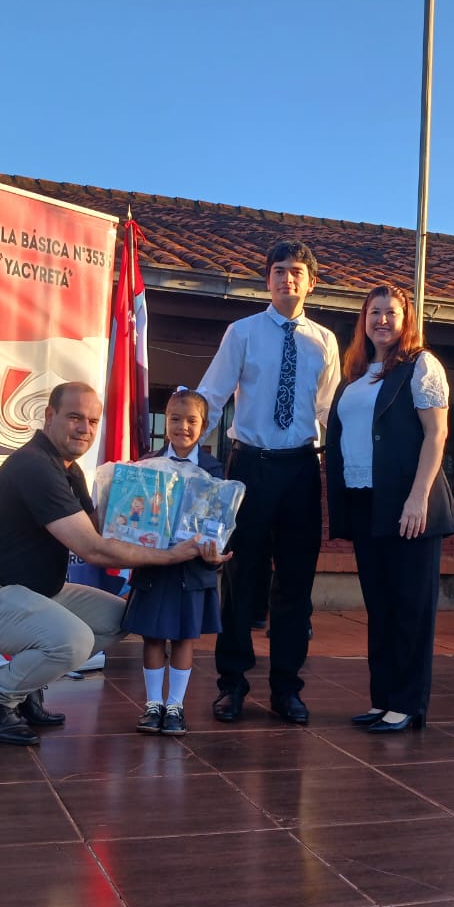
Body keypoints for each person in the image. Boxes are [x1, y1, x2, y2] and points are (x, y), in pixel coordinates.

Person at [0, 381, 227, 746]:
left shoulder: (69, 469)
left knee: (121, 619)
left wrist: (128, 495)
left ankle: (26, 686)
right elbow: (93, 548)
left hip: (37, 592)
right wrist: (171, 555)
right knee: (74, 641)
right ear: (49, 416)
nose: (85, 429)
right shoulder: (35, 466)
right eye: (75, 417)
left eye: (93, 421)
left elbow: (99, 527)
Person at [197, 239, 340, 725]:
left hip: (301, 468)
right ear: (268, 279)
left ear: (310, 283)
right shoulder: (241, 332)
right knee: (240, 578)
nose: (287, 278)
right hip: (250, 466)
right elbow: (212, 394)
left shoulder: (324, 341)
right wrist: (185, 454)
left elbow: (327, 409)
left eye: (296, 271)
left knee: (296, 583)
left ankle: (287, 688)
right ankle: (232, 684)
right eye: (279, 270)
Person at [326, 285, 454, 733]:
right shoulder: (356, 374)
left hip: (407, 504)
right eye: (374, 312)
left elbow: (436, 435)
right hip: (365, 500)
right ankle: (383, 699)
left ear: (406, 320)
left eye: (392, 313)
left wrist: (418, 497)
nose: (382, 320)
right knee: (380, 606)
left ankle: (407, 703)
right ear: (364, 320)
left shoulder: (421, 365)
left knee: (410, 608)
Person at [124, 389, 224, 737]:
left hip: (193, 569)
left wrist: (216, 552)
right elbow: (133, 514)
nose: (183, 427)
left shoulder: (214, 470)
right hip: (153, 564)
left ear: (205, 427)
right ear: (165, 422)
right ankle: (153, 704)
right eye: (175, 419)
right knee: (152, 637)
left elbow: (222, 521)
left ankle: (175, 705)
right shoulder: (147, 465)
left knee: (184, 637)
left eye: (191, 421)